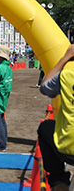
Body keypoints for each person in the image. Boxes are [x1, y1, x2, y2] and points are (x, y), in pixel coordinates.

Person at [38, 44, 74, 191]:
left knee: (45, 127)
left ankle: (59, 180)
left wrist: (64, 58)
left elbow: (44, 87)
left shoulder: (67, 74)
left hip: (68, 148)